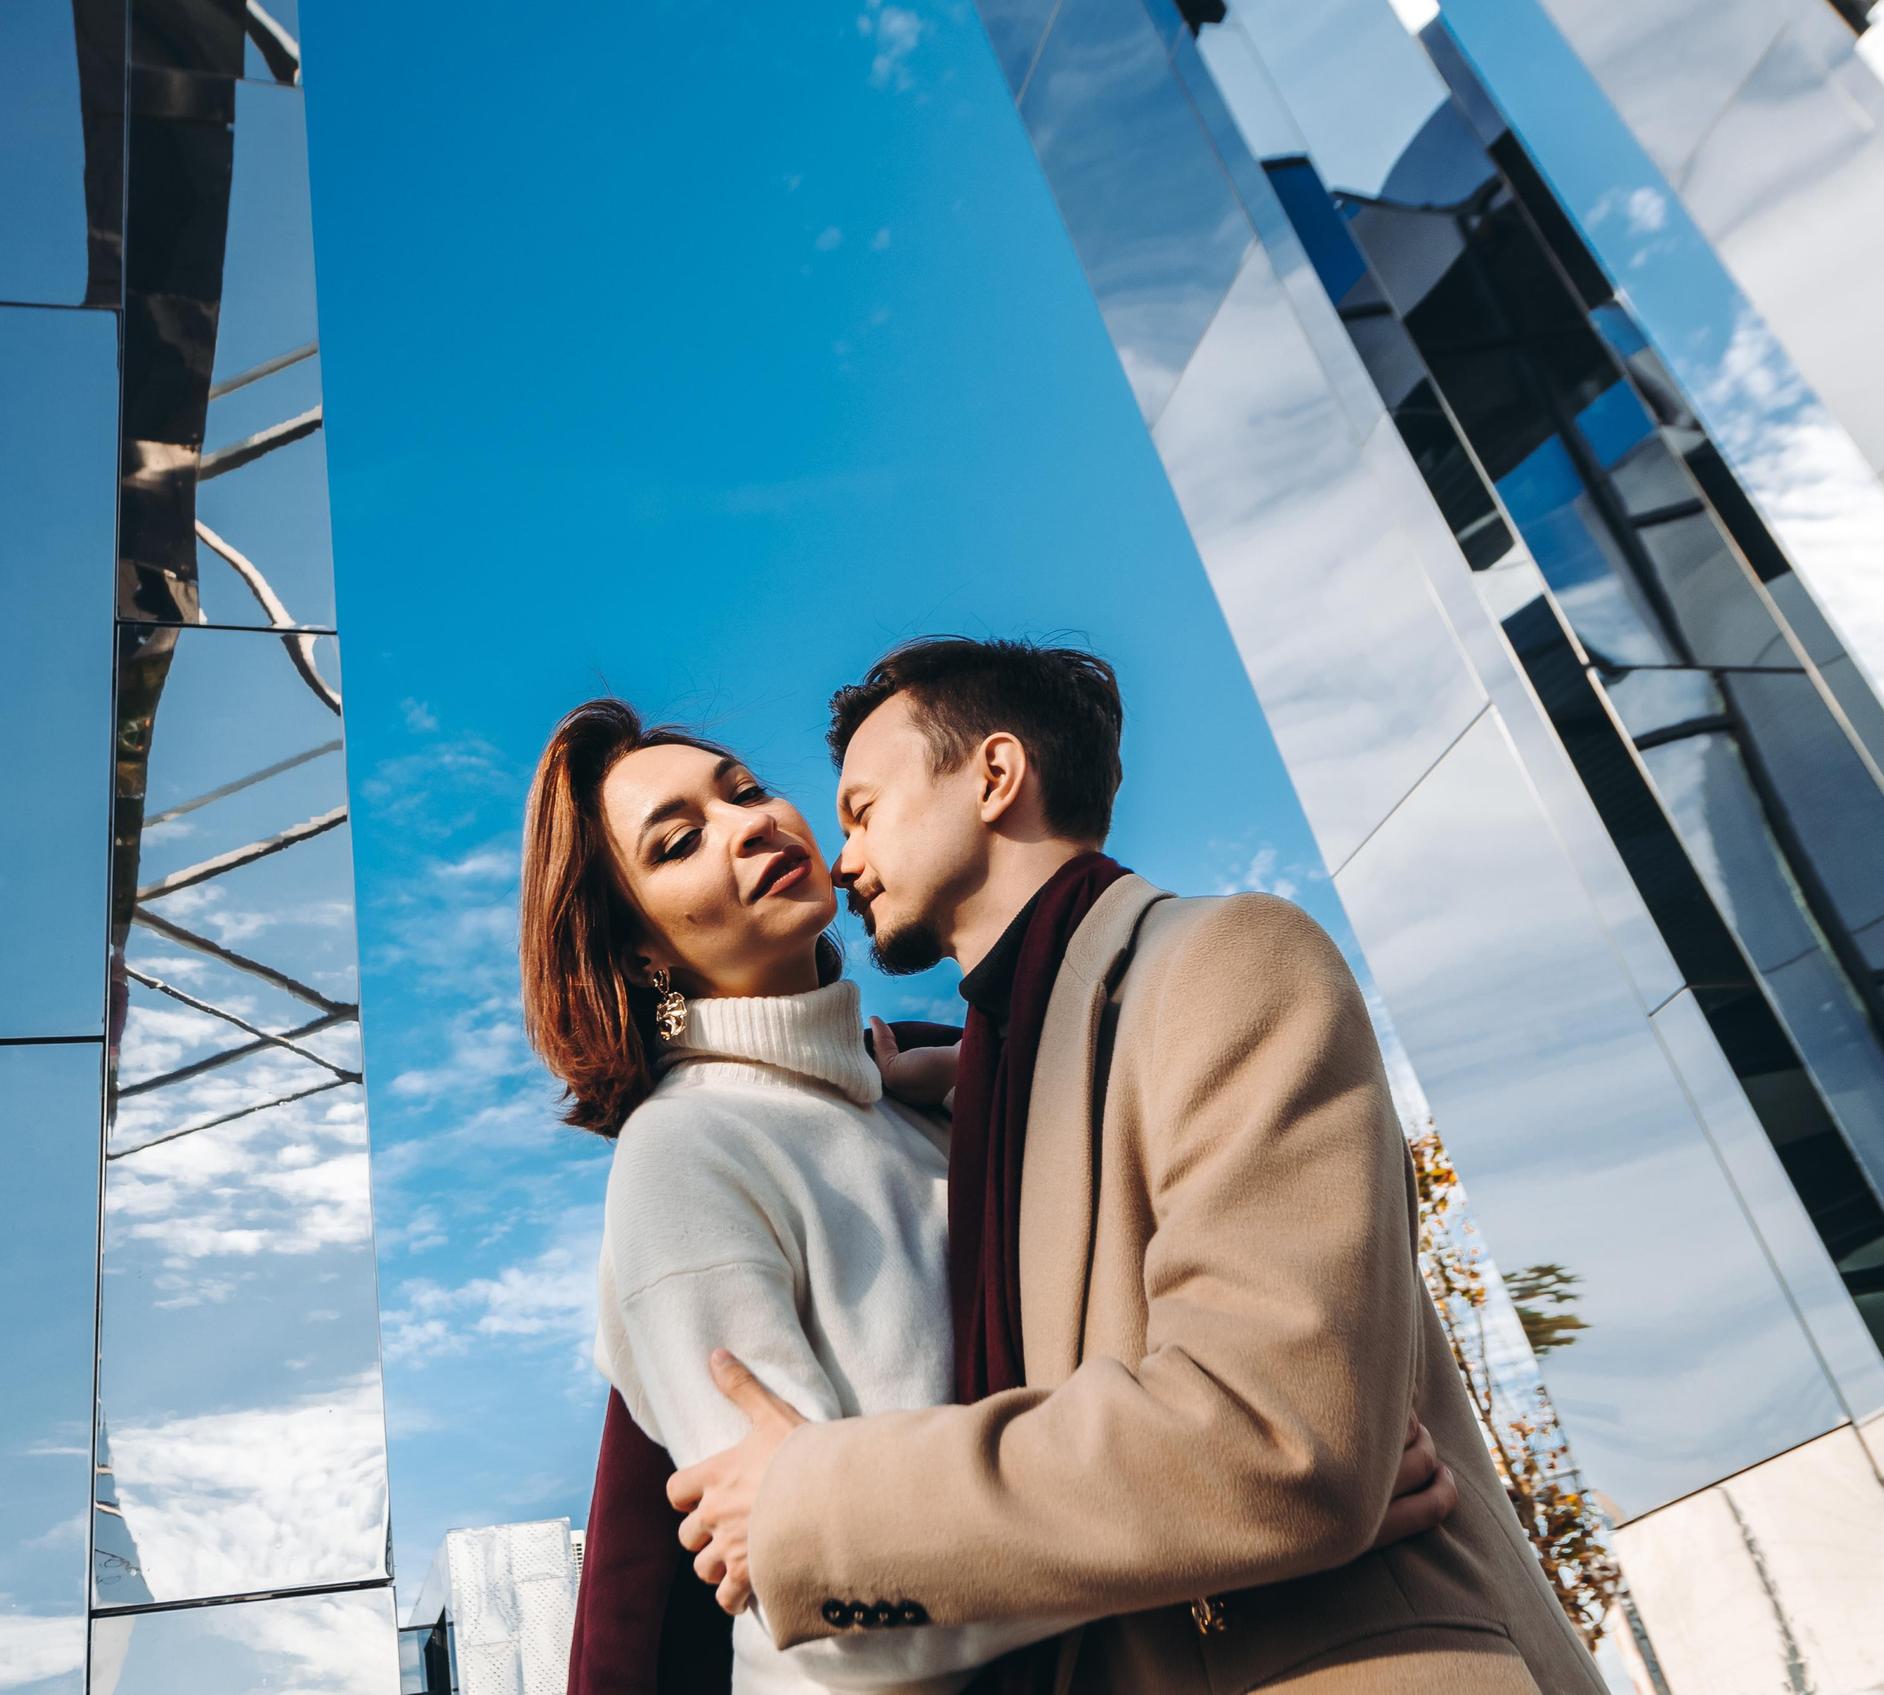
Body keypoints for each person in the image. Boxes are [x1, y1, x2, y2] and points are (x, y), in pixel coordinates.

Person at [664, 638, 1608, 1694]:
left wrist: (819, 1511)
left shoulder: (1231, 961)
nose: (842, 861)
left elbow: (1274, 1435)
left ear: (994, 775)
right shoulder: (999, 1088)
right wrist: (968, 1082)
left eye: (863, 811)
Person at [519, 695, 1456, 1695]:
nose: (748, 824)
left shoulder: (934, 1108)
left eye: (745, 791)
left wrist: (1250, 1502)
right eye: (678, 843)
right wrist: (1238, 1526)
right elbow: (820, 1598)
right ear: (642, 954)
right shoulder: (683, 1153)